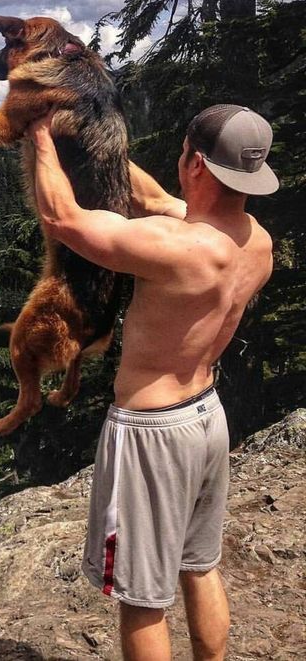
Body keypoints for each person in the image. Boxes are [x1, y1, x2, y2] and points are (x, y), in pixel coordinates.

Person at [28, 104, 277, 661]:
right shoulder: (255, 244)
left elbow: (63, 221)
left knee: (140, 598)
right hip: (206, 414)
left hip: (152, 431)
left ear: (195, 165)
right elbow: (161, 202)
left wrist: (41, 136)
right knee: (199, 564)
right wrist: (97, 148)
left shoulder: (174, 248)